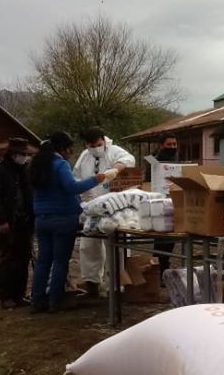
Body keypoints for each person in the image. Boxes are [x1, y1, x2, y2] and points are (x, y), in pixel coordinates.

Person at [31, 132, 115, 312]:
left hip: (41, 219)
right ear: (62, 148)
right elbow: (72, 187)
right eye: (70, 149)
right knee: (60, 261)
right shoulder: (60, 164)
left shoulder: (38, 164)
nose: (70, 153)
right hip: (62, 218)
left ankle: (37, 300)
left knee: (44, 261)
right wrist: (96, 179)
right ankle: (55, 301)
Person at [73, 126, 135, 297]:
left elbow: (129, 160)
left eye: (97, 144)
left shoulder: (114, 151)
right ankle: (92, 283)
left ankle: (115, 285)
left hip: (115, 208)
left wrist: (116, 169)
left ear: (103, 140)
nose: (94, 148)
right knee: (89, 246)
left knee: (115, 248)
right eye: (91, 145)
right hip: (91, 207)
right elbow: (76, 176)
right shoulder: (85, 156)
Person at [0, 138, 34, 309]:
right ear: (13, 154)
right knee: (7, 259)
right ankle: (5, 296)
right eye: (22, 154)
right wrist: (0, 220)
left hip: (25, 222)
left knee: (23, 258)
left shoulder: (25, 171)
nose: (25, 157)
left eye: (26, 154)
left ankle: (19, 295)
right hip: (7, 223)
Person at [144, 134, 179, 274]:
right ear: (161, 145)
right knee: (160, 240)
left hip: (174, 203)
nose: (172, 147)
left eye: (174, 144)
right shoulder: (153, 161)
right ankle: (158, 269)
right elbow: (148, 182)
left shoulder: (177, 159)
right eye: (169, 144)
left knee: (171, 240)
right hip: (158, 204)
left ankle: (164, 268)